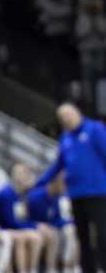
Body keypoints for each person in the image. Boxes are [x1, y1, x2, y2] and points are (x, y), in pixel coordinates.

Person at [35, 102, 106, 271]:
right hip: (75, 194)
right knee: (82, 236)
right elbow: (58, 165)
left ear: (77, 112)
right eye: (62, 117)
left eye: (68, 114)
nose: (66, 118)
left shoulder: (94, 129)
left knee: (103, 234)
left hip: (97, 192)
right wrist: (41, 181)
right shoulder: (65, 138)